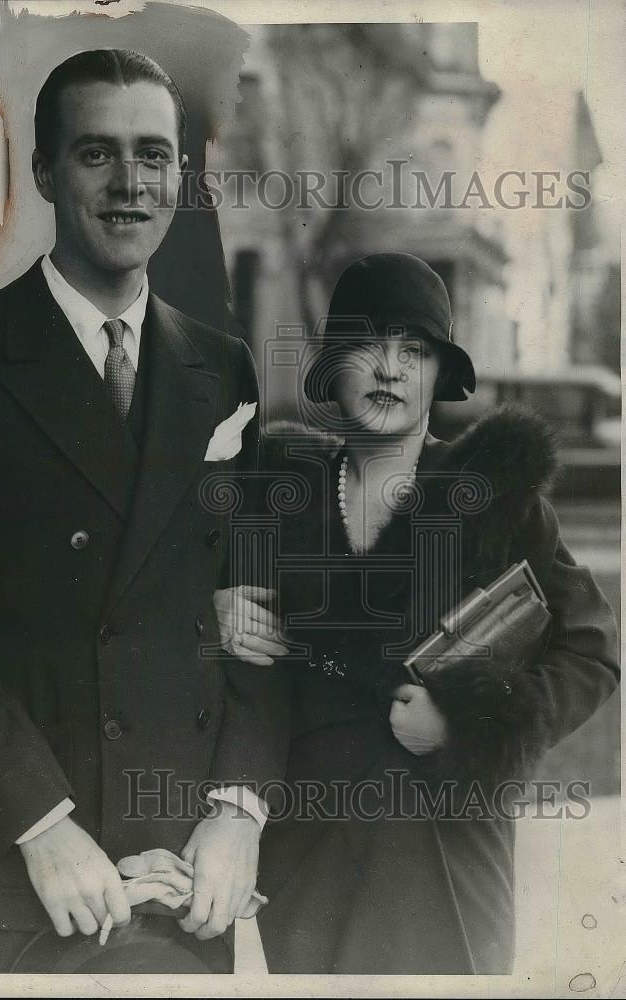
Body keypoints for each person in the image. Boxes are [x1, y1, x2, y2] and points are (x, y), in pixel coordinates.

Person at [0, 49, 289, 973]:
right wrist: (39, 823)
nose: (130, 182)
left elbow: (256, 610)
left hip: (188, 873)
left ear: (180, 172)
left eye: (154, 154)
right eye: (97, 154)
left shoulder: (219, 367)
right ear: (45, 173)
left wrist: (238, 808)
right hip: (25, 867)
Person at [214, 252, 619, 973]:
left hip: (447, 853)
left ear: (439, 373)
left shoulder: (493, 496)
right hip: (313, 858)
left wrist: (467, 718)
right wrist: (214, 612)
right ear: (332, 366)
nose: (390, 369)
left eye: (415, 351)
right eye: (367, 345)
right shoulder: (276, 491)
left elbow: (592, 650)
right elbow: (158, 600)